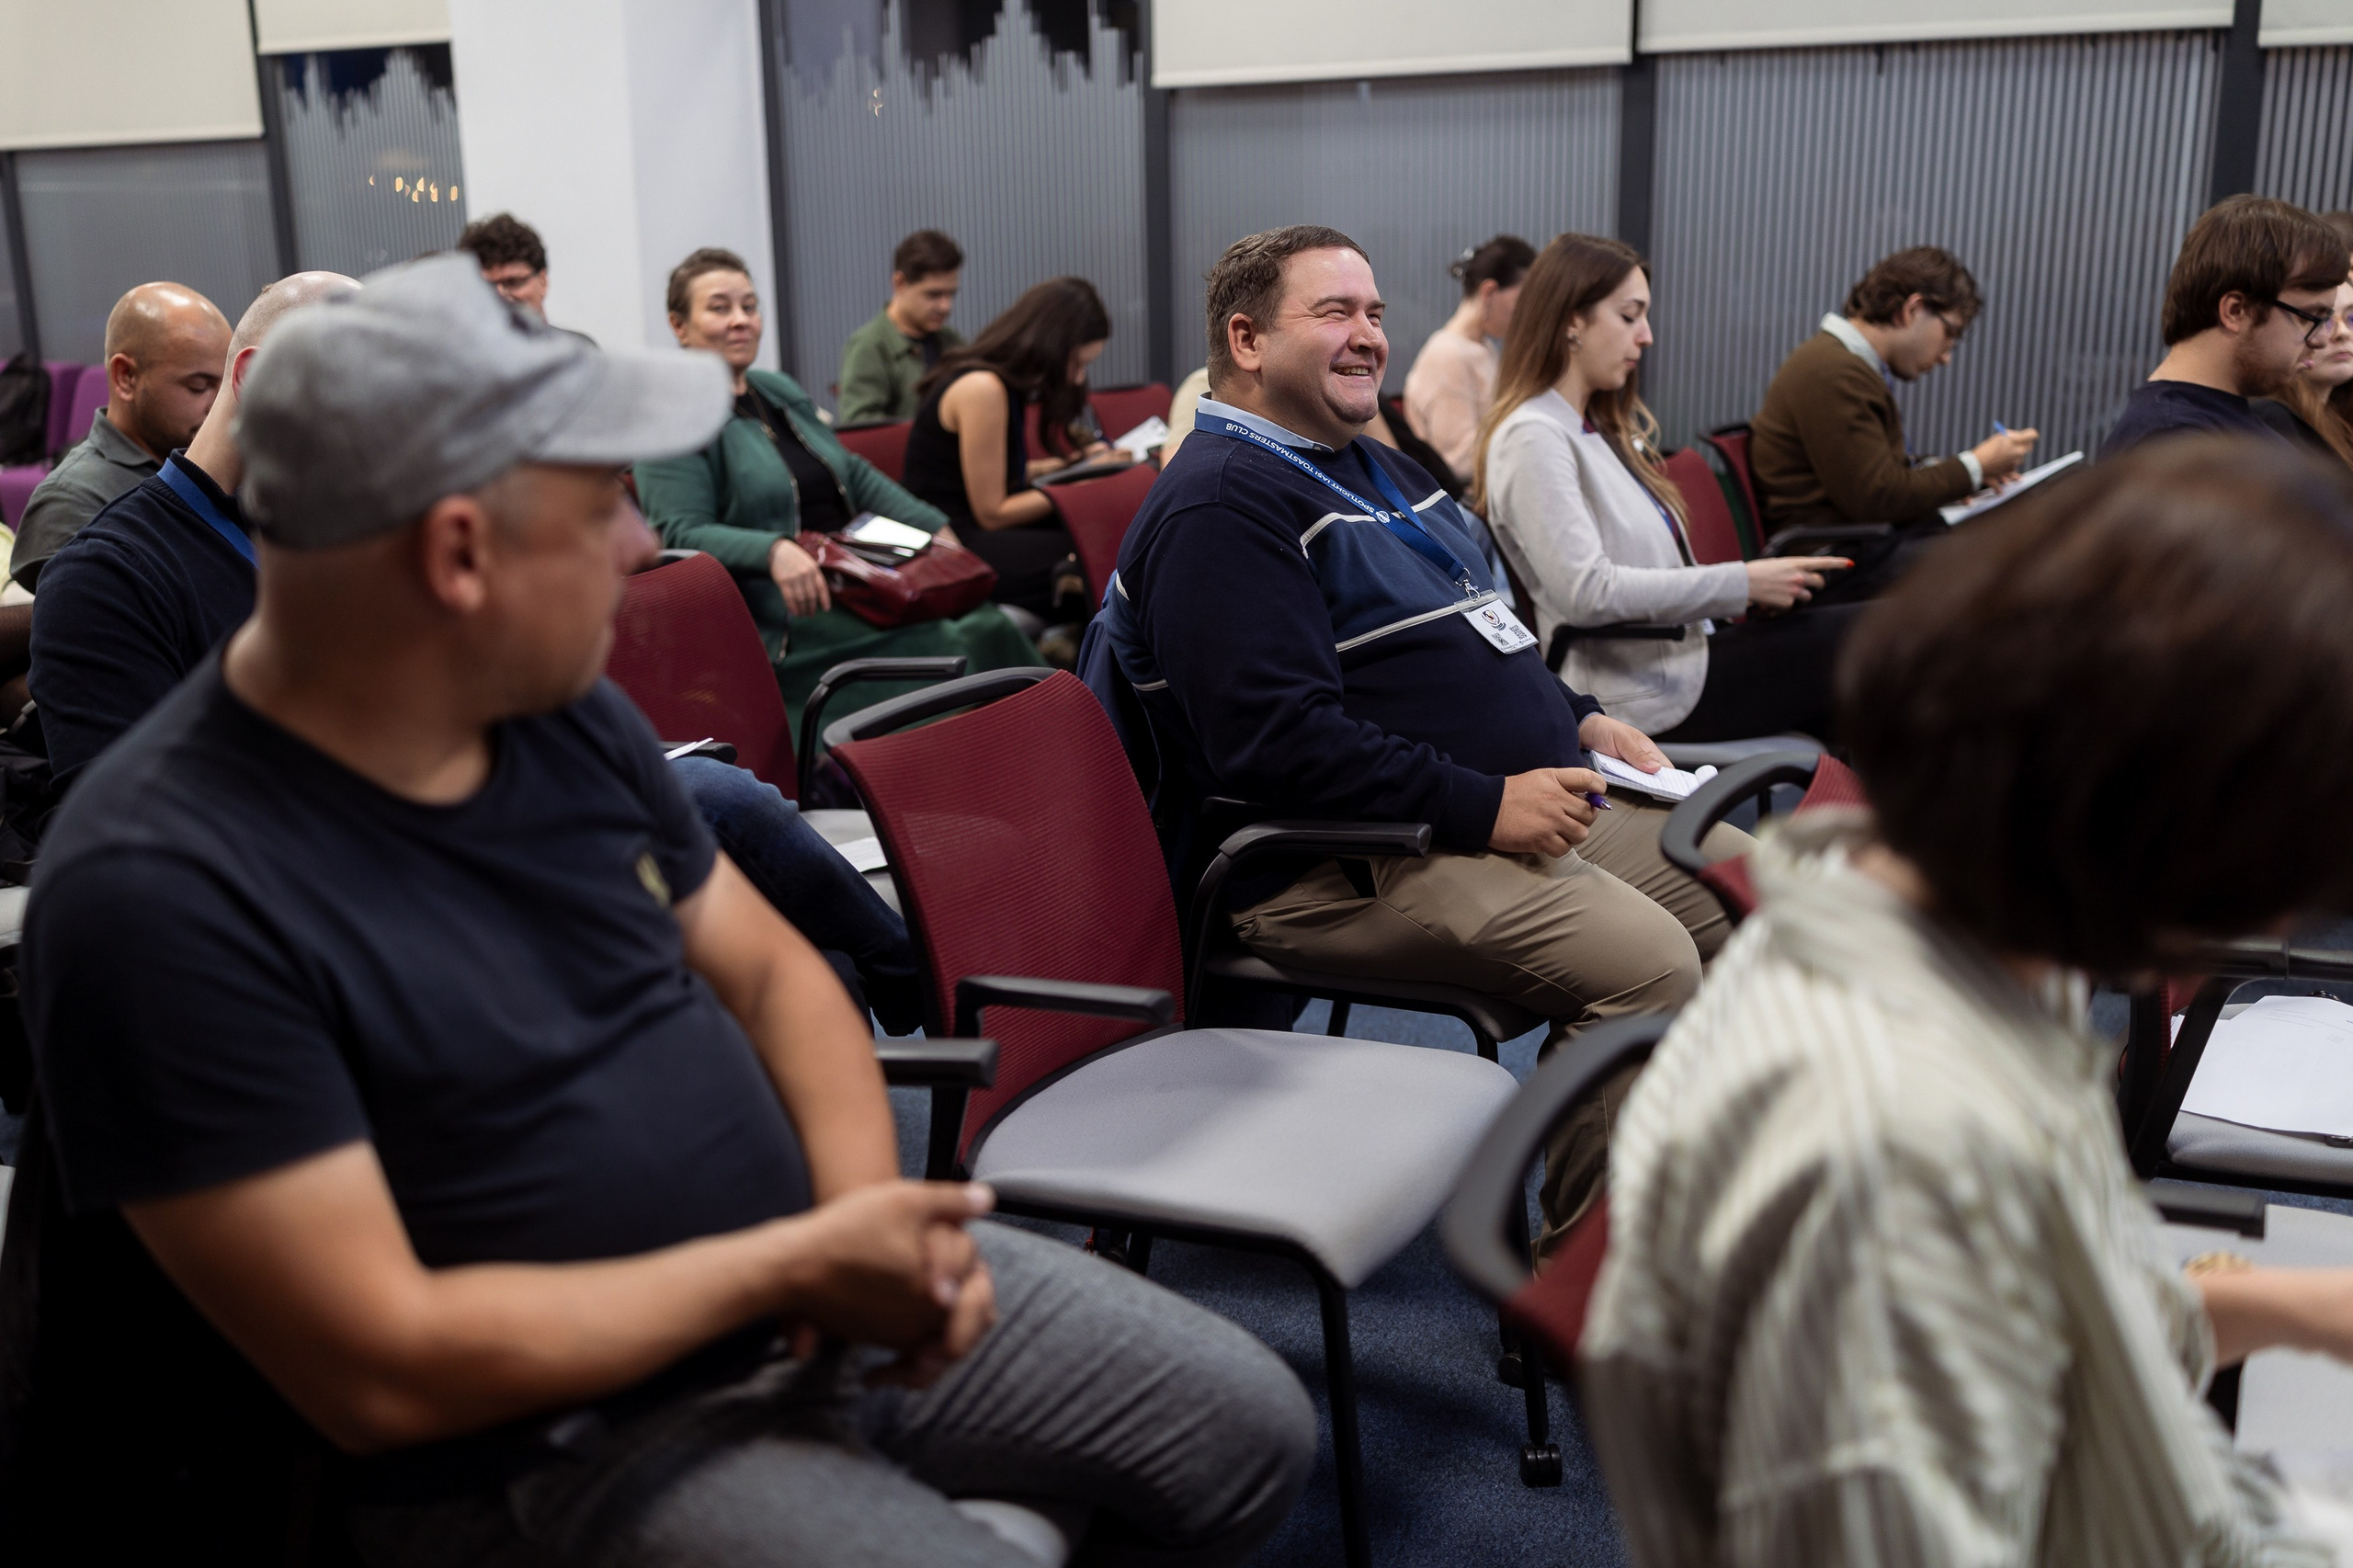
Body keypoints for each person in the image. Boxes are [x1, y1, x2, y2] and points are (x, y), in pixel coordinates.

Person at [10, 253, 1315, 1564]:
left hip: (790, 1280)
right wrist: (789, 1275)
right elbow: (385, 1364)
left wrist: (853, 1225)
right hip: (548, 1434)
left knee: (1248, 1428)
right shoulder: (158, 884)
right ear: (459, 553)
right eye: (600, 511)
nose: (644, 548)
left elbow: (774, 979)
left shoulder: (550, 712)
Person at [1582, 437, 2353, 1568]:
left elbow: (2059, 1313)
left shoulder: (1955, 923)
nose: (2267, 925)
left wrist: (2302, 1309)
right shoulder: (1897, 1149)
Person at [22, 267, 923, 1029]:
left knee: (750, 878)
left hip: (463, 862)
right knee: (714, 822)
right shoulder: (115, 579)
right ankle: (921, 987)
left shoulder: (367, 553)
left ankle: (912, 985)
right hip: (373, 913)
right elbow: (147, 862)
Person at [1095, 224, 1748, 1245]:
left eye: (1374, 314)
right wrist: (1486, 806)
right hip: (1339, 856)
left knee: (1746, 881)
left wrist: (1574, 714)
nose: (1367, 337)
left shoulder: (1368, 466)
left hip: (1500, 792)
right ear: (1247, 339)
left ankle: (1675, 1205)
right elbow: (1277, 746)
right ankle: (1585, 1284)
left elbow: (1476, 625)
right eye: (1334, 313)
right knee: (1650, 963)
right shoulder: (1222, 505)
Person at [633, 248, 1040, 729]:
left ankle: (1043, 753)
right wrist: (774, 550)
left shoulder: (774, 390)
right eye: (720, 308)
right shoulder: (667, 417)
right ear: (679, 326)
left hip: (856, 573)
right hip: (781, 612)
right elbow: (678, 532)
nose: (741, 321)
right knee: (951, 644)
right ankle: (960, 778)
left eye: (750, 305)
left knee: (984, 619)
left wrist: (933, 527)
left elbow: (853, 472)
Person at [1477, 233, 1858, 741]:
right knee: (1868, 637)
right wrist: (1741, 584)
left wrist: (1747, 590)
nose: (1646, 336)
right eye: (1630, 316)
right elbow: (1586, 593)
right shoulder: (1533, 436)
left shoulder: (1592, 427)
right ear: (1572, 320)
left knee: (1859, 629)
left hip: (1679, 659)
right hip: (1640, 694)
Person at [1749, 246, 2037, 546]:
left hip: (1858, 543)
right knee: (1996, 556)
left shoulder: (1844, 364)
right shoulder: (1833, 372)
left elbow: (1879, 475)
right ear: (1913, 310)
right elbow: (1878, 497)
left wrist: (1968, 475)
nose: (1946, 357)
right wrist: (1974, 467)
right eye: (1950, 334)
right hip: (1837, 559)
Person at [901, 277, 1128, 628]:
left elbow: (1004, 473)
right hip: (954, 541)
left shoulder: (1002, 383)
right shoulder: (982, 388)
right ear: (1052, 347)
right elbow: (993, 511)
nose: (1079, 379)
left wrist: (1081, 464)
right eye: (1077, 364)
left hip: (974, 526)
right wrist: (1080, 489)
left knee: (1100, 539)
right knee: (1093, 554)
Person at [13, 281, 231, 590]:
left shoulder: (213, 466)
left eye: (225, 387)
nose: (218, 406)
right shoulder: (70, 500)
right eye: (198, 387)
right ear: (125, 378)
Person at [2100, 196, 2347, 457]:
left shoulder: (2214, 422)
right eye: (2308, 318)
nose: (2320, 339)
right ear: (2235, 311)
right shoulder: (2174, 444)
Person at [1404, 234, 1534, 483]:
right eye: (1521, 302)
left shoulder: (1483, 347)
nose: (1525, 314)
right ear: (1490, 291)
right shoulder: (1449, 354)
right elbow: (1460, 460)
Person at [836, 230, 965, 425]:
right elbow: (861, 431)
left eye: (951, 295)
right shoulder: (869, 346)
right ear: (900, 283)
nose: (945, 306)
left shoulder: (951, 342)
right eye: (933, 295)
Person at [2257, 276, 2353, 470]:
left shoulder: (2343, 419)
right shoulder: (2271, 424)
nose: (2343, 332)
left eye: (2352, 318)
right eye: (2323, 320)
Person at [456, 211, 551, 317]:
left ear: (543, 282)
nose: (501, 297)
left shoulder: (567, 334)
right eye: (487, 288)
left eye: (513, 282)